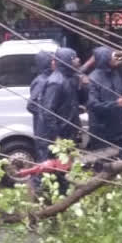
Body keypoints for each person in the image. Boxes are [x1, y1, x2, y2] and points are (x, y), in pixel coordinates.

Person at [39, 47, 80, 193]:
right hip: (59, 136)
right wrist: (56, 136)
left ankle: (62, 195)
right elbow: (48, 111)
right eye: (74, 58)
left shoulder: (69, 79)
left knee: (65, 167)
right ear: (67, 61)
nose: (77, 61)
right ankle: (46, 198)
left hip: (67, 133)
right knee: (54, 168)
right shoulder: (56, 82)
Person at [26, 50, 53, 190]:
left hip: (45, 127)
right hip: (42, 128)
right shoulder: (41, 81)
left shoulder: (50, 78)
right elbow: (31, 105)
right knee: (43, 157)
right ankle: (38, 187)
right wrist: (45, 115)